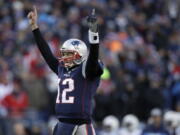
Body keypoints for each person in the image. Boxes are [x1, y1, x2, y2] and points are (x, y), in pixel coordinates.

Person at [27, 6, 103, 135]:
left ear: (80, 55)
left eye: (69, 54)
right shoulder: (62, 68)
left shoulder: (86, 69)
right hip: (62, 123)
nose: (64, 58)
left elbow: (94, 55)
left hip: (82, 124)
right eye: (64, 54)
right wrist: (35, 28)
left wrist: (93, 32)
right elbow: (46, 53)